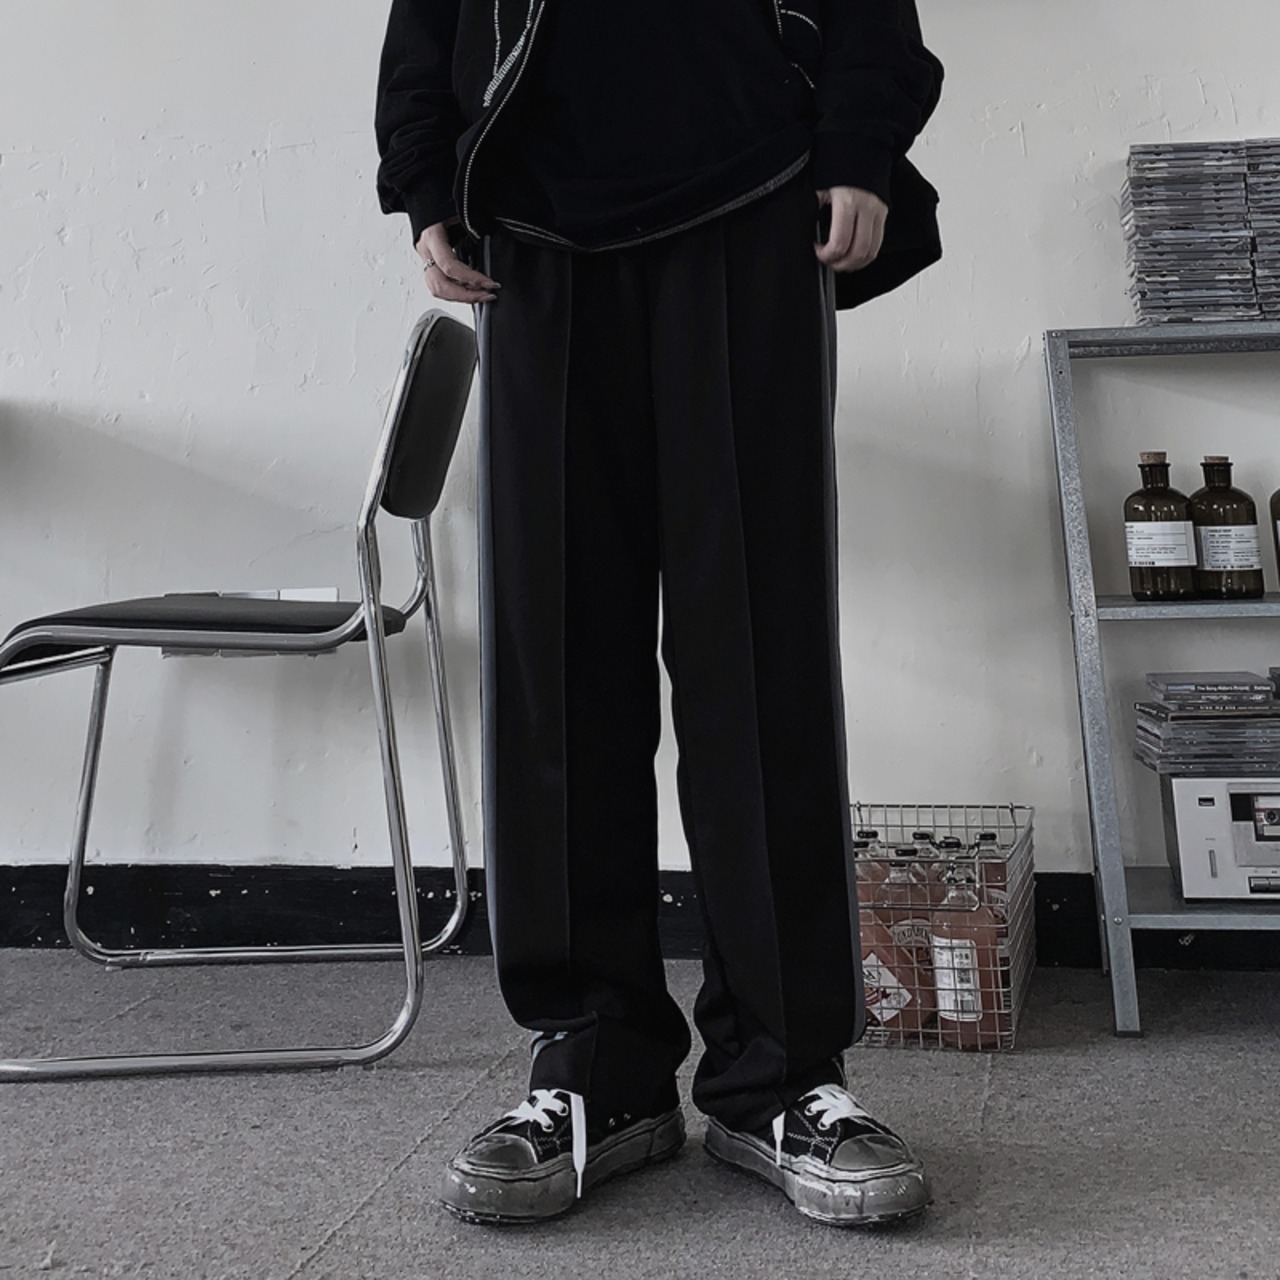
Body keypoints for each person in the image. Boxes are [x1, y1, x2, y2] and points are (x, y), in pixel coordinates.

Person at [375, 0, 944, 1228]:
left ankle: (780, 1071)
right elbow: (428, 15)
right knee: (556, 660)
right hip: (530, 223)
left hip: (754, 198)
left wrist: (859, 144)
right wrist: (423, 182)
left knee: (760, 655)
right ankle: (596, 1061)